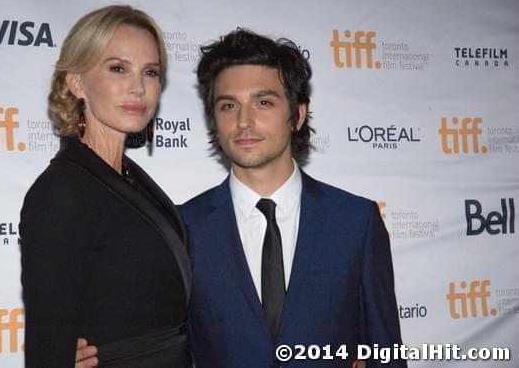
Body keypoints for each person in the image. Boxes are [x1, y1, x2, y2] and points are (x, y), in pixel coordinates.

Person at [76, 29, 405, 367]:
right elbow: (150, 347)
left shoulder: (355, 222)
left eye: (263, 102)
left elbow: (386, 352)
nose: (244, 121)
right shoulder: (178, 229)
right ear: (214, 121)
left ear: (297, 115)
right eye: (229, 105)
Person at [20, 5, 192, 368]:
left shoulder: (132, 180)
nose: (138, 87)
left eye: (150, 72)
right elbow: (48, 344)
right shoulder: (61, 192)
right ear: (77, 83)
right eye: (118, 68)